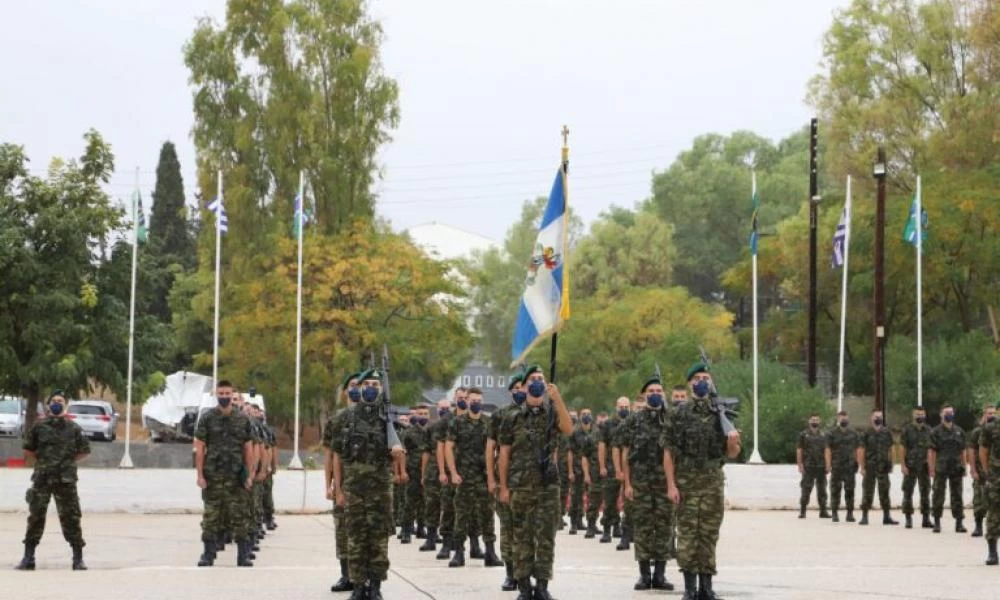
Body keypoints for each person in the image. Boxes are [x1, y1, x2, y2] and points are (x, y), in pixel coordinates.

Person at [663, 363, 741, 600]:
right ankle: (689, 588)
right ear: (690, 383)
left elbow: (733, 453)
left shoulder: (721, 412)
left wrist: (732, 441)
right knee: (687, 535)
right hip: (686, 484)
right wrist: (671, 485)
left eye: (705, 377)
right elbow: (668, 451)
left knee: (708, 535)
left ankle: (706, 587)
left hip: (711, 483)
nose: (701, 381)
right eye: (697, 378)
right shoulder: (678, 413)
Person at [498, 365, 573, 600]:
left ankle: (542, 586)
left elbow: (569, 429)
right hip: (520, 485)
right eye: (533, 379)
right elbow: (504, 455)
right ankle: (523, 586)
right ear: (525, 384)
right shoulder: (512, 417)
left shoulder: (552, 413)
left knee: (546, 538)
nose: (537, 382)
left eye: (541, 378)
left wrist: (557, 398)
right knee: (522, 538)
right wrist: (503, 486)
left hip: (548, 486)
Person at [332, 369, 396, 600]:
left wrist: (398, 453)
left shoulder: (388, 418)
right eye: (366, 383)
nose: (371, 388)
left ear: (381, 389)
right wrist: (338, 489)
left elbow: (398, 456)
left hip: (380, 490)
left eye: (375, 385)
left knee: (379, 540)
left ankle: (376, 586)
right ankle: (358, 586)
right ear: (358, 388)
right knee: (356, 539)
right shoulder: (345, 419)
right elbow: (338, 457)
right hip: (354, 490)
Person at [16, 390, 91, 571]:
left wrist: (66, 461)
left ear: (65, 405)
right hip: (43, 478)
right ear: (49, 405)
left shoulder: (73, 428)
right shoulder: (39, 427)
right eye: (54, 401)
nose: (57, 403)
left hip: (66, 479)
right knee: (36, 516)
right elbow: (28, 450)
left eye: (60, 401)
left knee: (71, 517)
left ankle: (78, 559)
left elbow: (84, 451)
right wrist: (44, 462)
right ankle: (28, 558)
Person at [194, 380, 255, 567]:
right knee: (211, 517)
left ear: (232, 394)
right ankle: (208, 554)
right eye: (221, 393)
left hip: (236, 477)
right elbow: (200, 447)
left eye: (227, 393)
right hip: (213, 476)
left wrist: (250, 474)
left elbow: (248, 448)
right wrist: (200, 475)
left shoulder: (242, 419)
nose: (224, 397)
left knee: (240, 516)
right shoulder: (207, 418)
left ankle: (243, 555)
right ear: (216, 395)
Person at [623, 376, 674, 591]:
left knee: (664, 527)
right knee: (643, 528)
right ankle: (644, 576)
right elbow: (626, 453)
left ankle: (660, 575)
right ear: (644, 396)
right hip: (641, 483)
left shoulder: (671, 418)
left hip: (664, 483)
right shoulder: (634, 420)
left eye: (659, 391)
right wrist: (627, 483)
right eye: (651, 391)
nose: (655, 394)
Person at [446, 387, 503, 568]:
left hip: (485, 477)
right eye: (473, 400)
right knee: (461, 515)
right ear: (467, 401)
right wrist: (453, 473)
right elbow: (448, 448)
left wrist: (495, 475)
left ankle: (490, 552)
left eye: (479, 400)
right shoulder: (457, 422)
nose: (475, 403)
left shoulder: (489, 423)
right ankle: (458, 553)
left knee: (487, 514)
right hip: (464, 477)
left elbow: (498, 448)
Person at [488, 373, 526, 591]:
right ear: (511, 390)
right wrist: (492, 479)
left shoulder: (534, 414)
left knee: (527, 531)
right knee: (508, 528)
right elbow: (490, 448)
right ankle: (510, 573)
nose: (521, 391)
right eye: (517, 388)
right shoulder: (501, 415)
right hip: (507, 481)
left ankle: (527, 573)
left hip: (529, 482)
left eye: (524, 387)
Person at [324, 372, 361, 593]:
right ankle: (346, 575)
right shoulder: (336, 420)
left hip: (365, 486)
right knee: (343, 530)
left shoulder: (372, 418)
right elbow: (329, 456)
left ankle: (362, 578)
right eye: (353, 386)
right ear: (345, 391)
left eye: (360, 385)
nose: (356, 389)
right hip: (343, 484)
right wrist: (329, 485)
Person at [436, 389, 468, 561]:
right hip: (450, 471)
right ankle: (447, 544)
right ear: (454, 399)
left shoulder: (474, 418)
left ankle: (474, 544)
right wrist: (442, 471)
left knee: (470, 510)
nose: (462, 400)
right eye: (460, 398)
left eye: (465, 398)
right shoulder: (447, 420)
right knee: (448, 507)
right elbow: (441, 447)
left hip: (469, 472)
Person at [613, 395, 647, 552]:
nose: (640, 410)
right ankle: (626, 536)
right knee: (629, 506)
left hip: (653, 473)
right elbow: (620, 450)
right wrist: (620, 471)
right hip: (633, 472)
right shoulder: (627, 425)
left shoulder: (658, 423)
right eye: (637, 408)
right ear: (633, 408)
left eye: (642, 407)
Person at [418, 398, 452, 554]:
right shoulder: (432, 428)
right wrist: (423, 474)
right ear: (437, 409)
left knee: (450, 505)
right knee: (432, 503)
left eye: (447, 407)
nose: (444, 410)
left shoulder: (455, 424)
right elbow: (425, 452)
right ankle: (431, 537)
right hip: (433, 469)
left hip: (451, 467)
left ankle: (450, 540)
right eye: (442, 408)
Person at [929, 404, 967, 534]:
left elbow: (963, 450)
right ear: (941, 414)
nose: (949, 415)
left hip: (956, 467)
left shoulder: (959, 431)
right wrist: (931, 468)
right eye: (946, 412)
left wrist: (964, 465)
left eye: (951, 412)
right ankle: (937, 523)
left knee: (957, 495)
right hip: (941, 467)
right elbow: (932, 452)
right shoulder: (935, 432)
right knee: (938, 494)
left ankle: (959, 523)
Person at [858, 409, 897, 526]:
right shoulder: (866, 433)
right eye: (876, 416)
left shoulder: (887, 432)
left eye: (880, 416)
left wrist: (892, 464)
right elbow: (861, 450)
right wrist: (862, 467)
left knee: (885, 491)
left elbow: (891, 449)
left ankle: (887, 516)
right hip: (870, 466)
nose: (878, 418)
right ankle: (864, 516)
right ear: (871, 418)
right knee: (867, 491)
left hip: (883, 467)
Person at [597, 397, 628, 543]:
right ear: (616, 407)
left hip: (630, 467)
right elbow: (602, 446)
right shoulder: (608, 425)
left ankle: (620, 528)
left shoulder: (633, 423)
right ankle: (607, 529)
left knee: (628, 501)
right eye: (621, 406)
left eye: (626, 406)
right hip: (610, 467)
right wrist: (602, 466)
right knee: (610, 500)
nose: (624, 409)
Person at [900, 407, 932, 529]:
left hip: (924, 466)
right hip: (911, 466)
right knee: (908, 492)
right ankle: (908, 519)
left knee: (925, 492)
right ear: (913, 415)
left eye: (922, 414)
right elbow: (903, 448)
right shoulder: (907, 430)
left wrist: (931, 465)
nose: (920, 416)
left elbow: (931, 449)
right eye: (918, 414)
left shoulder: (929, 430)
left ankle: (926, 519)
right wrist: (903, 465)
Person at [566, 408, 597, 536]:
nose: (586, 416)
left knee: (593, 497)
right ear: (579, 416)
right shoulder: (574, 433)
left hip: (592, 469)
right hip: (577, 469)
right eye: (584, 414)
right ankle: (574, 523)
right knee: (576, 497)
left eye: (588, 414)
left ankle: (590, 524)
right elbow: (570, 453)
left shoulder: (596, 432)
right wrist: (570, 471)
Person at [400, 406, 428, 544]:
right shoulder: (409, 433)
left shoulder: (430, 432)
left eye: (425, 414)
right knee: (410, 502)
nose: (423, 416)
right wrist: (403, 471)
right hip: (412, 472)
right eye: (420, 414)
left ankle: (422, 528)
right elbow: (403, 453)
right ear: (415, 415)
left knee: (425, 502)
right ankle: (406, 530)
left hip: (428, 473)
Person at [825, 410, 860, 522]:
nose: (843, 419)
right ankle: (835, 513)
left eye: (845, 417)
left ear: (848, 418)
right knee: (835, 490)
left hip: (850, 466)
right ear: (838, 419)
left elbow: (857, 449)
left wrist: (857, 462)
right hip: (837, 466)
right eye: (841, 417)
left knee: (850, 490)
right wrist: (828, 464)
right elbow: (827, 449)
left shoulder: (854, 433)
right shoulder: (831, 433)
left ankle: (850, 514)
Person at [968, 405, 995, 537]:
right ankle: (978, 526)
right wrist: (973, 469)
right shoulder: (977, 432)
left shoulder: (997, 431)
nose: (992, 416)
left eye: (994, 413)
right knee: (979, 499)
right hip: (981, 471)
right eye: (989, 413)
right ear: (984, 415)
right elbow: (972, 451)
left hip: (995, 472)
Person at [797, 413, 831, 518]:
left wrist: (828, 464)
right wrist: (800, 464)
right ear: (809, 421)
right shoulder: (803, 434)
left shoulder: (824, 434)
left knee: (822, 490)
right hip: (808, 466)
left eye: (816, 420)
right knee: (806, 488)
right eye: (813, 419)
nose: (815, 421)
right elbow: (799, 450)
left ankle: (823, 511)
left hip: (821, 466)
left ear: (819, 421)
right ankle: (803, 511)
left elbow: (827, 450)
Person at [976, 414, 1000, 565]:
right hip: (996, 477)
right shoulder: (991, 427)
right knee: (994, 513)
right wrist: (988, 472)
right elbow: (983, 450)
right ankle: (992, 552)